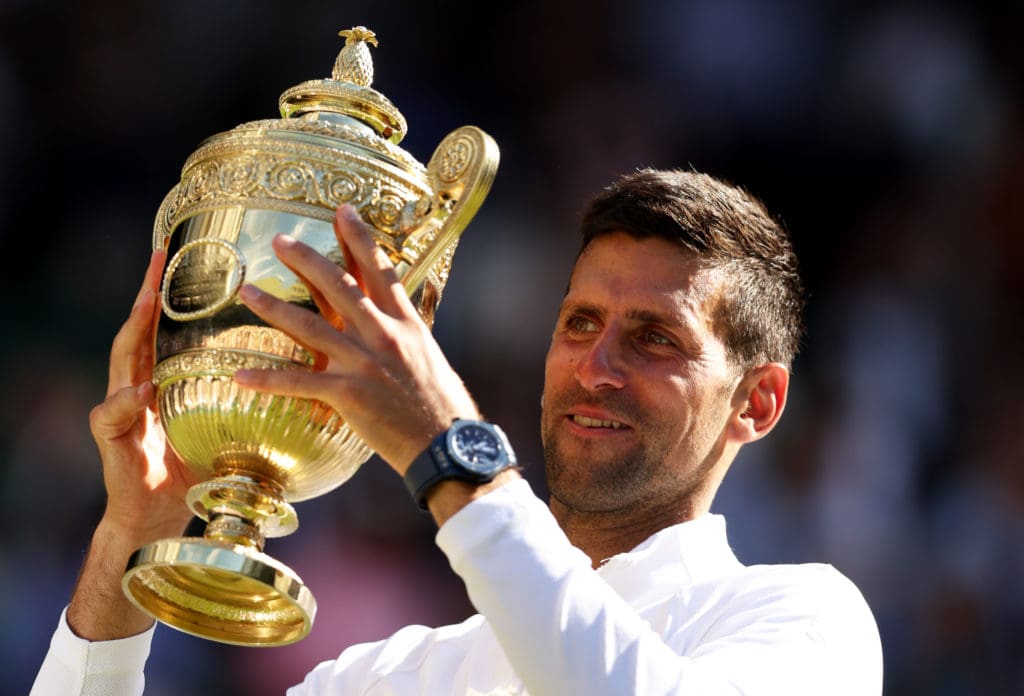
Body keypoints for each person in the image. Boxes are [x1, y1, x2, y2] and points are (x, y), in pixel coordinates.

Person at [32, 169, 883, 695]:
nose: (596, 369)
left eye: (655, 338)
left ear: (758, 403)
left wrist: (449, 447)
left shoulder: (803, 621)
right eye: (580, 324)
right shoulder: (390, 676)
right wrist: (130, 538)